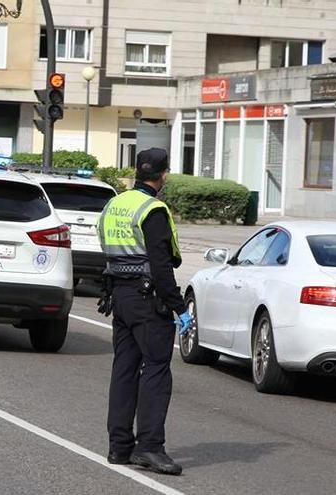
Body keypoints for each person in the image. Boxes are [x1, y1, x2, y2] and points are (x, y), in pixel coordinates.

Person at [97, 148, 192, 476]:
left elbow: (106, 251)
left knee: (124, 370)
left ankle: (119, 447)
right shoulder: (153, 209)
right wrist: (179, 307)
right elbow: (162, 265)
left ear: (137, 172)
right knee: (155, 370)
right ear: (164, 174)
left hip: (120, 297)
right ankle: (150, 447)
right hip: (149, 300)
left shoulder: (115, 204)